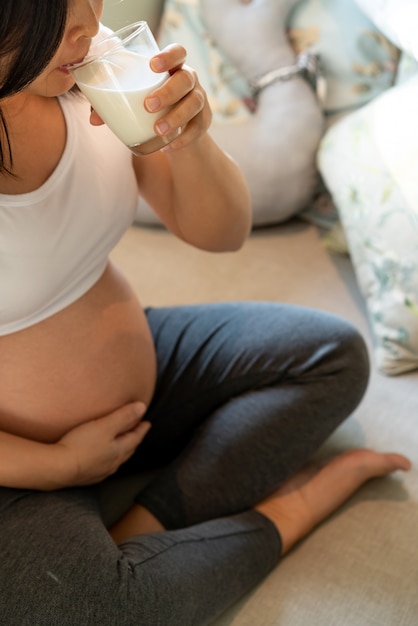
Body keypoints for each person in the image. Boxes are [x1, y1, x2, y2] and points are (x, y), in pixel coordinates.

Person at [0, 1, 411, 625]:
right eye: (47, 14)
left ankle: (145, 525)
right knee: (85, 611)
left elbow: (222, 234)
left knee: (331, 357)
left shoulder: (92, 56)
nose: (85, 22)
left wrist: (191, 142)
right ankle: (290, 509)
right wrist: (56, 466)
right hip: (18, 463)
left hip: (141, 374)